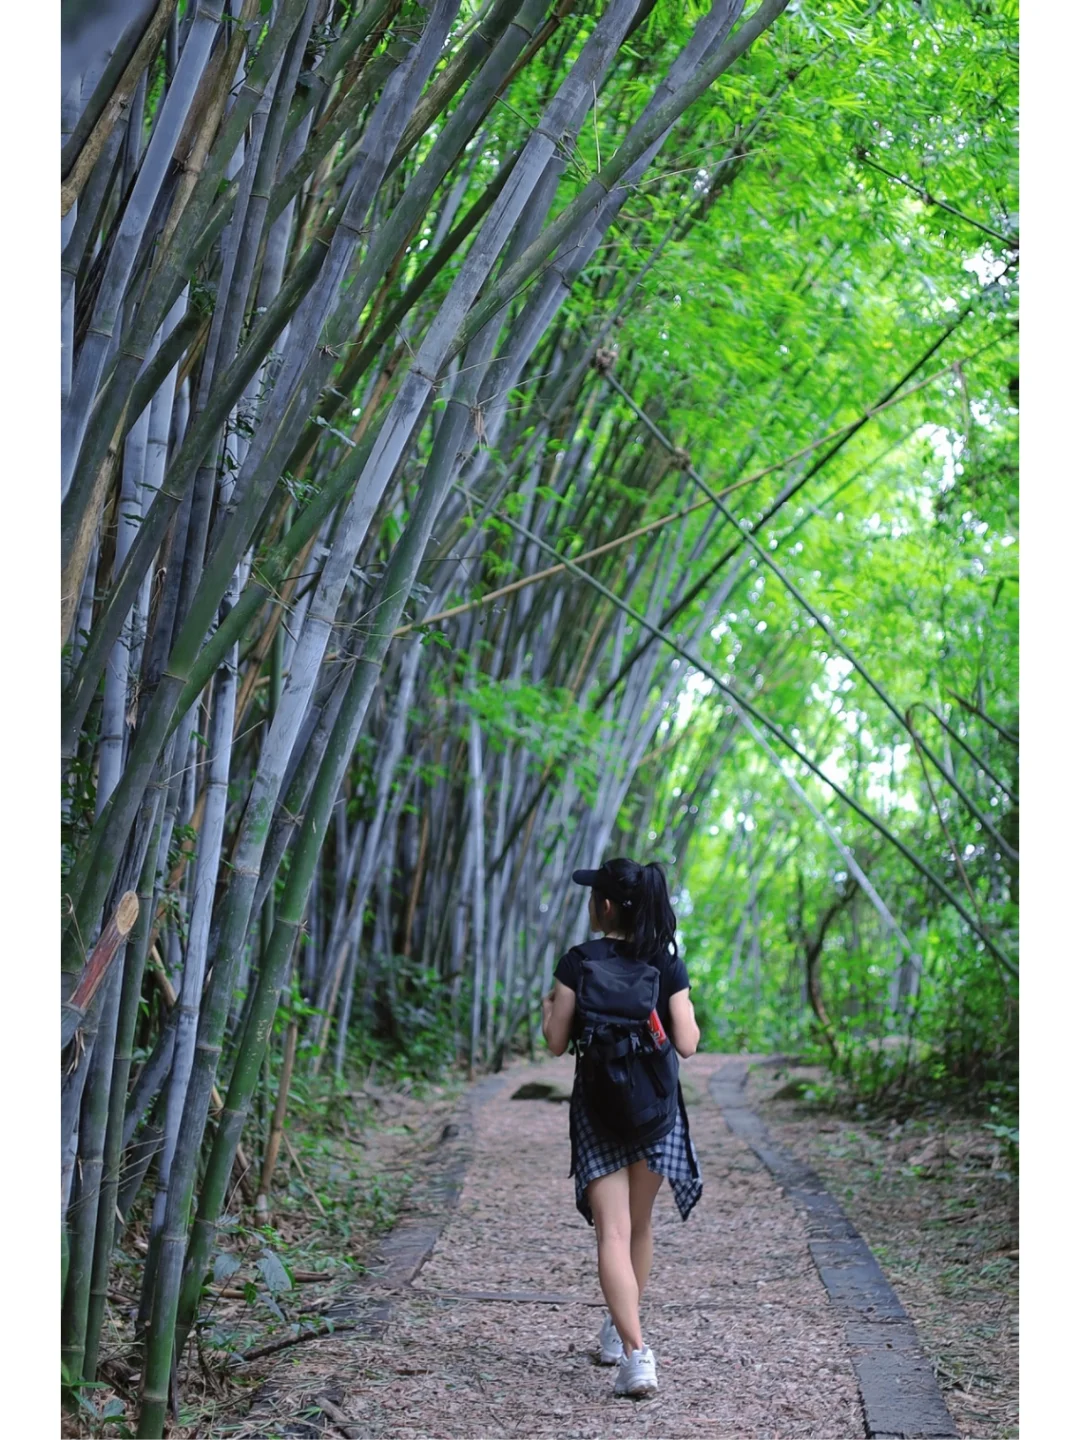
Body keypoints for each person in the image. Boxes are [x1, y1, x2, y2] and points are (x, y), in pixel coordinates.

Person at [541, 858, 702, 1400]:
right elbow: (687, 1042)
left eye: (594, 897)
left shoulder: (577, 961)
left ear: (605, 906)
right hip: (655, 1108)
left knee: (610, 1232)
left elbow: (555, 1041)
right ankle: (622, 1329)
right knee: (639, 1227)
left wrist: (548, 1011)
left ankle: (635, 1352)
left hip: (598, 1111)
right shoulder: (666, 963)